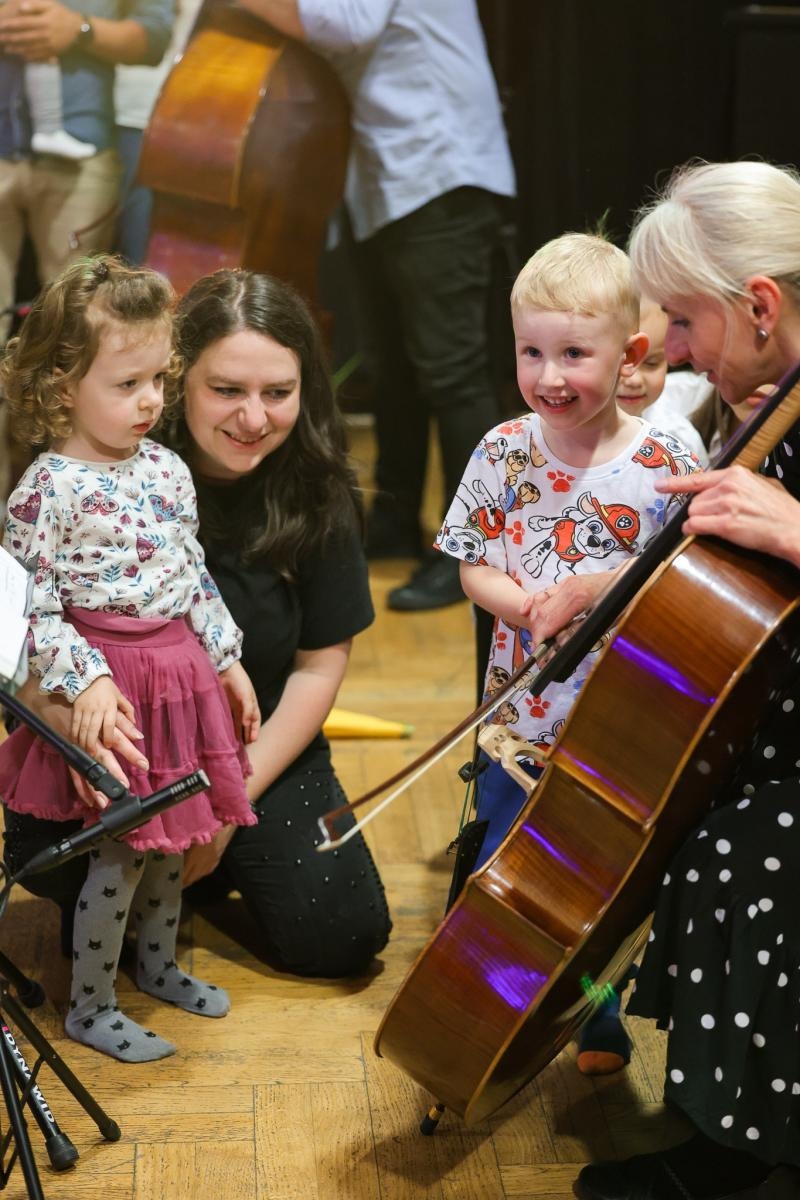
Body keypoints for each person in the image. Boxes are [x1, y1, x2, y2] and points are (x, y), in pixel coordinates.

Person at [524, 161, 800, 1199]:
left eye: (682, 320)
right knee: (705, 816)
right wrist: (610, 583)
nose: (671, 349)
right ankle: (733, 1120)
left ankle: (743, 1150)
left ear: (760, 305)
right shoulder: (774, 405)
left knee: (745, 849)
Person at [3, 265, 393, 984]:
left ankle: (203, 869)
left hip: (244, 739)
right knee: (55, 866)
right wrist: (68, 716)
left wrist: (228, 797)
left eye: (278, 393)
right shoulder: (82, 463)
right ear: (186, 380)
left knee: (342, 934)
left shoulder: (312, 487)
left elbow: (315, 662)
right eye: (227, 390)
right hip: (126, 739)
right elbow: (24, 624)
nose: (254, 418)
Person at [436, 232, 699, 1076]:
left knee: (593, 888)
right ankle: (497, 1008)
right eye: (531, 352)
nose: (549, 376)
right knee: (503, 872)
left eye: (574, 354)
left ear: (631, 355)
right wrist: (524, 606)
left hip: (619, 722)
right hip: (519, 719)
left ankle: (594, 1009)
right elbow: (473, 564)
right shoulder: (502, 450)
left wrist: (595, 590)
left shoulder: (669, 460)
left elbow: (685, 576)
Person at [0, 255, 261, 1063]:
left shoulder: (167, 469)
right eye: (127, 384)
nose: (151, 400)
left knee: (173, 843)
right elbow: (34, 609)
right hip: (114, 692)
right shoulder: (46, 489)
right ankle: (92, 1003)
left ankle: (157, 965)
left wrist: (227, 659)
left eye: (158, 379)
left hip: (181, 677)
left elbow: (191, 576)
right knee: (121, 851)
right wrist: (88, 681)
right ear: (61, 385)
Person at [230, 0, 517, 611]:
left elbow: (348, 22)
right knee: (394, 372)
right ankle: (395, 521)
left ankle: (474, 550)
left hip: (438, 173)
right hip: (387, 183)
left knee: (453, 375)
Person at [615, 297, 708, 465]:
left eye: (652, 363)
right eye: (622, 362)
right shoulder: (564, 430)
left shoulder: (680, 440)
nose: (634, 380)